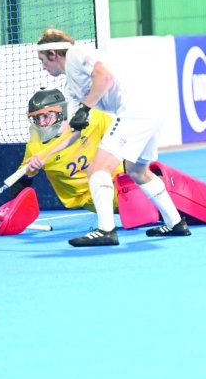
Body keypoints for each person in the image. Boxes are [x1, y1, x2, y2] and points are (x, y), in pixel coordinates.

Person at [36, 28, 189, 247]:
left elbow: (105, 76)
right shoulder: (70, 88)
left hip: (136, 110)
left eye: (42, 60)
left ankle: (106, 230)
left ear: (53, 53)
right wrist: (45, 154)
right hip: (150, 110)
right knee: (137, 171)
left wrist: (86, 108)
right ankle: (175, 223)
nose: (43, 66)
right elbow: (74, 129)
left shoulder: (75, 54)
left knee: (97, 169)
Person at [6, 87, 124, 211]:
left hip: (119, 179)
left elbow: (123, 139)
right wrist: (9, 210)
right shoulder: (36, 146)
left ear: (61, 112)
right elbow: (23, 179)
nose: (42, 123)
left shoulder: (94, 118)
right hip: (88, 196)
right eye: (37, 118)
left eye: (46, 116)